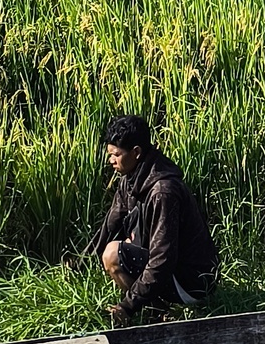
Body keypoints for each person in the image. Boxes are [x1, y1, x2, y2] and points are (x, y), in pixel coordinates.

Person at [88, 112, 219, 326]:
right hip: (172, 268)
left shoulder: (163, 192)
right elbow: (110, 226)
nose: (110, 160)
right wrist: (82, 262)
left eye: (116, 154)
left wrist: (127, 306)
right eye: (110, 153)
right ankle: (154, 307)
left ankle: (155, 312)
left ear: (136, 152)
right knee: (115, 246)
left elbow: (163, 259)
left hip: (191, 282)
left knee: (113, 254)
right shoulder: (130, 178)